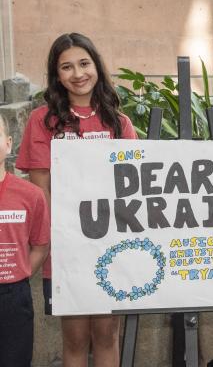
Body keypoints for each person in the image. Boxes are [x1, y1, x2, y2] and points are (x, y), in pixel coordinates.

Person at [16, 32, 137, 367]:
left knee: (108, 334)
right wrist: (64, 240)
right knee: (75, 338)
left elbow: (133, 188)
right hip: (66, 246)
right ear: (57, 76)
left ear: (96, 66)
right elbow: (42, 191)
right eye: (66, 67)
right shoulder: (43, 121)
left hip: (112, 245)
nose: (78, 73)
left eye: (84, 63)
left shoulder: (120, 122)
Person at [0, 113, 50, 367]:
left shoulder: (32, 195)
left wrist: (20, 272)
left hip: (14, 296)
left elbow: (41, 244)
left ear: (8, 143)